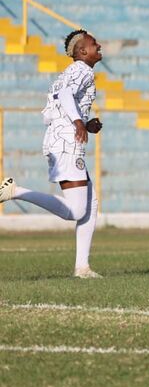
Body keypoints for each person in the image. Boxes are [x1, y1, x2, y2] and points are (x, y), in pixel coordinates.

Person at [0, 29, 104, 278]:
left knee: (91, 204)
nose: (98, 45)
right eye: (93, 43)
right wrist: (79, 123)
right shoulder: (82, 70)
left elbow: (53, 109)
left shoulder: (67, 73)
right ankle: (15, 191)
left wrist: (85, 123)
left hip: (61, 140)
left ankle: (82, 267)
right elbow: (67, 96)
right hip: (68, 144)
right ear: (82, 52)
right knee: (77, 211)